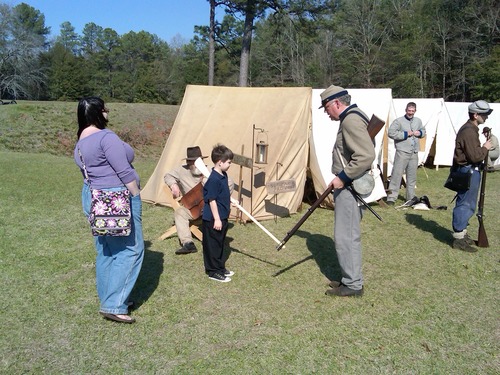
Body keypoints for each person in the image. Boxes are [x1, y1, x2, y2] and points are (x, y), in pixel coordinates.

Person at [74, 97, 144, 323]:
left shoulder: (80, 141)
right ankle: (114, 304)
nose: (108, 113)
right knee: (131, 250)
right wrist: (135, 194)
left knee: (106, 251)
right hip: (117, 197)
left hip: (94, 196)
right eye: (105, 110)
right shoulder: (106, 137)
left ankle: (111, 297)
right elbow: (123, 170)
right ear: (98, 113)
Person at [320, 85, 375, 297]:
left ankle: (352, 284)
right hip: (350, 184)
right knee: (347, 234)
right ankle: (349, 279)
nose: (326, 112)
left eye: (326, 107)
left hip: (349, 186)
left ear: (336, 103)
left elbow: (365, 156)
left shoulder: (351, 120)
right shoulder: (355, 115)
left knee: (345, 236)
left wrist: (342, 177)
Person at [451, 100, 492, 252]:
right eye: (484, 114)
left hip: (470, 170)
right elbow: (475, 156)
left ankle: (462, 232)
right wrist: (485, 147)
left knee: (469, 203)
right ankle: (459, 239)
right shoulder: (469, 131)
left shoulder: (471, 129)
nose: (486, 117)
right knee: (465, 204)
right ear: (475, 115)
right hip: (467, 171)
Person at [164, 146, 208, 255]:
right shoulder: (181, 170)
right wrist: (173, 185)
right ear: (188, 162)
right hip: (192, 208)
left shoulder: (209, 170)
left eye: (197, 161)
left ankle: (211, 241)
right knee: (180, 212)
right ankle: (188, 243)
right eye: (192, 162)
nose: (194, 164)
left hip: (208, 207)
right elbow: (167, 175)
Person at [202, 144, 236, 283]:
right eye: (228, 162)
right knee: (213, 245)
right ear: (220, 162)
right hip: (213, 219)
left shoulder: (223, 175)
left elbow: (223, 194)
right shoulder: (213, 179)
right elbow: (212, 200)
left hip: (223, 216)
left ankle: (220, 267)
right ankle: (213, 271)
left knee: (220, 243)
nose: (230, 165)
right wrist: (216, 219)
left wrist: (231, 201)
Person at [386, 102, 426, 205]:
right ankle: (391, 197)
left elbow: (423, 131)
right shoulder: (398, 121)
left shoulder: (418, 121)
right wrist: (405, 134)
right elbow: (391, 133)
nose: (410, 113)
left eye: (412, 111)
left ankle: (410, 197)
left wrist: (420, 133)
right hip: (402, 152)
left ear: (415, 111)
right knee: (396, 175)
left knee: (412, 177)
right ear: (406, 110)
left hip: (414, 152)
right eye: (409, 111)